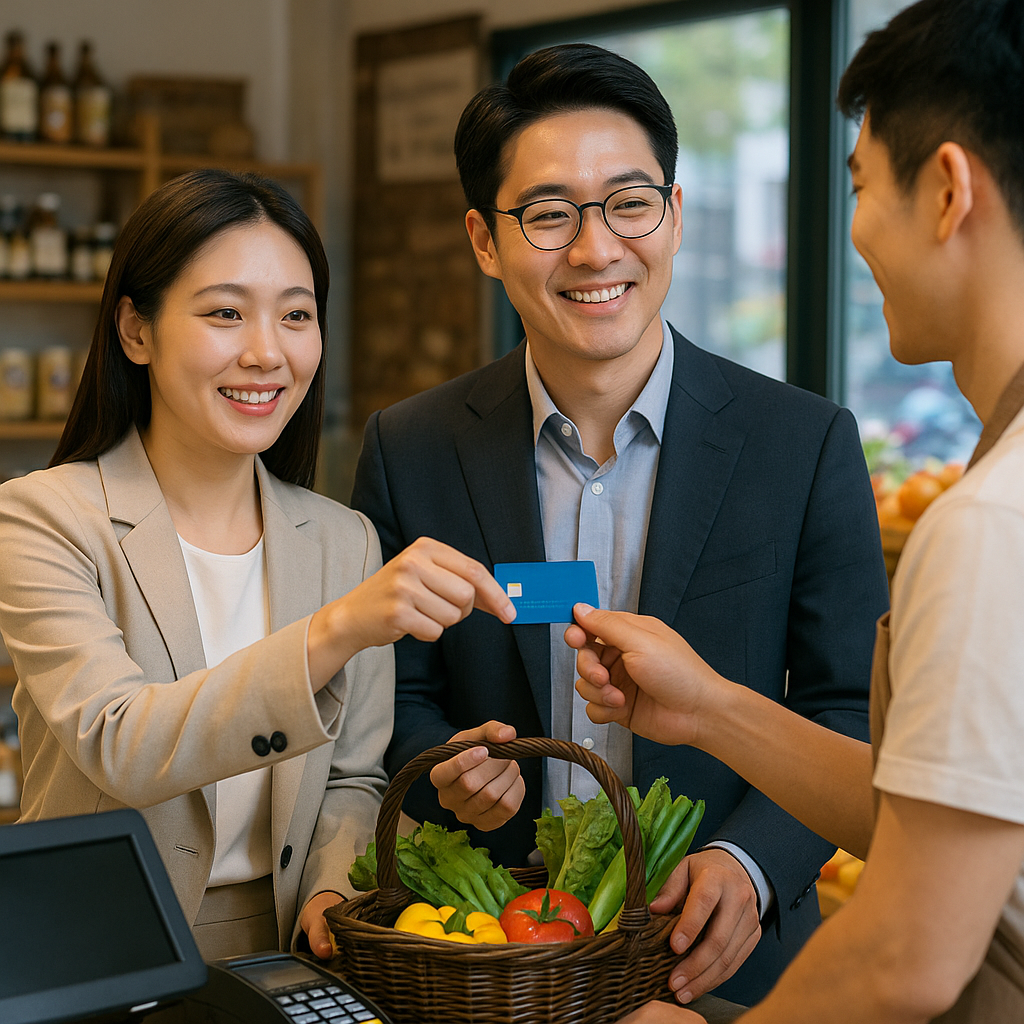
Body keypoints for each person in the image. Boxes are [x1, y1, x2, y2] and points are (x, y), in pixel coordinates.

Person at [350, 43, 889, 1005]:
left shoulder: (802, 442)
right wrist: (444, 772)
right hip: (485, 958)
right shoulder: (411, 446)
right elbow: (392, 694)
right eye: (548, 215)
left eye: (629, 203)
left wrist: (750, 862)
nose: (596, 249)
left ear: (674, 217)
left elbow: (848, 709)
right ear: (485, 240)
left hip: (723, 962)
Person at [576, 2, 1024, 1020]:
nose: (852, 227)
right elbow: (941, 810)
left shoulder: (990, 521)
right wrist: (711, 707)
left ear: (947, 189)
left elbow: (902, 954)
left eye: (860, 185)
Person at [0, 169, 515, 963]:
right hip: (89, 960)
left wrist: (330, 887)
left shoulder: (342, 542)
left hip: (288, 955)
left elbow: (353, 779)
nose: (267, 352)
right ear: (135, 331)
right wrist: (335, 630)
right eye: (226, 313)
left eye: (297, 316)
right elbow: (121, 742)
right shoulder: (43, 517)